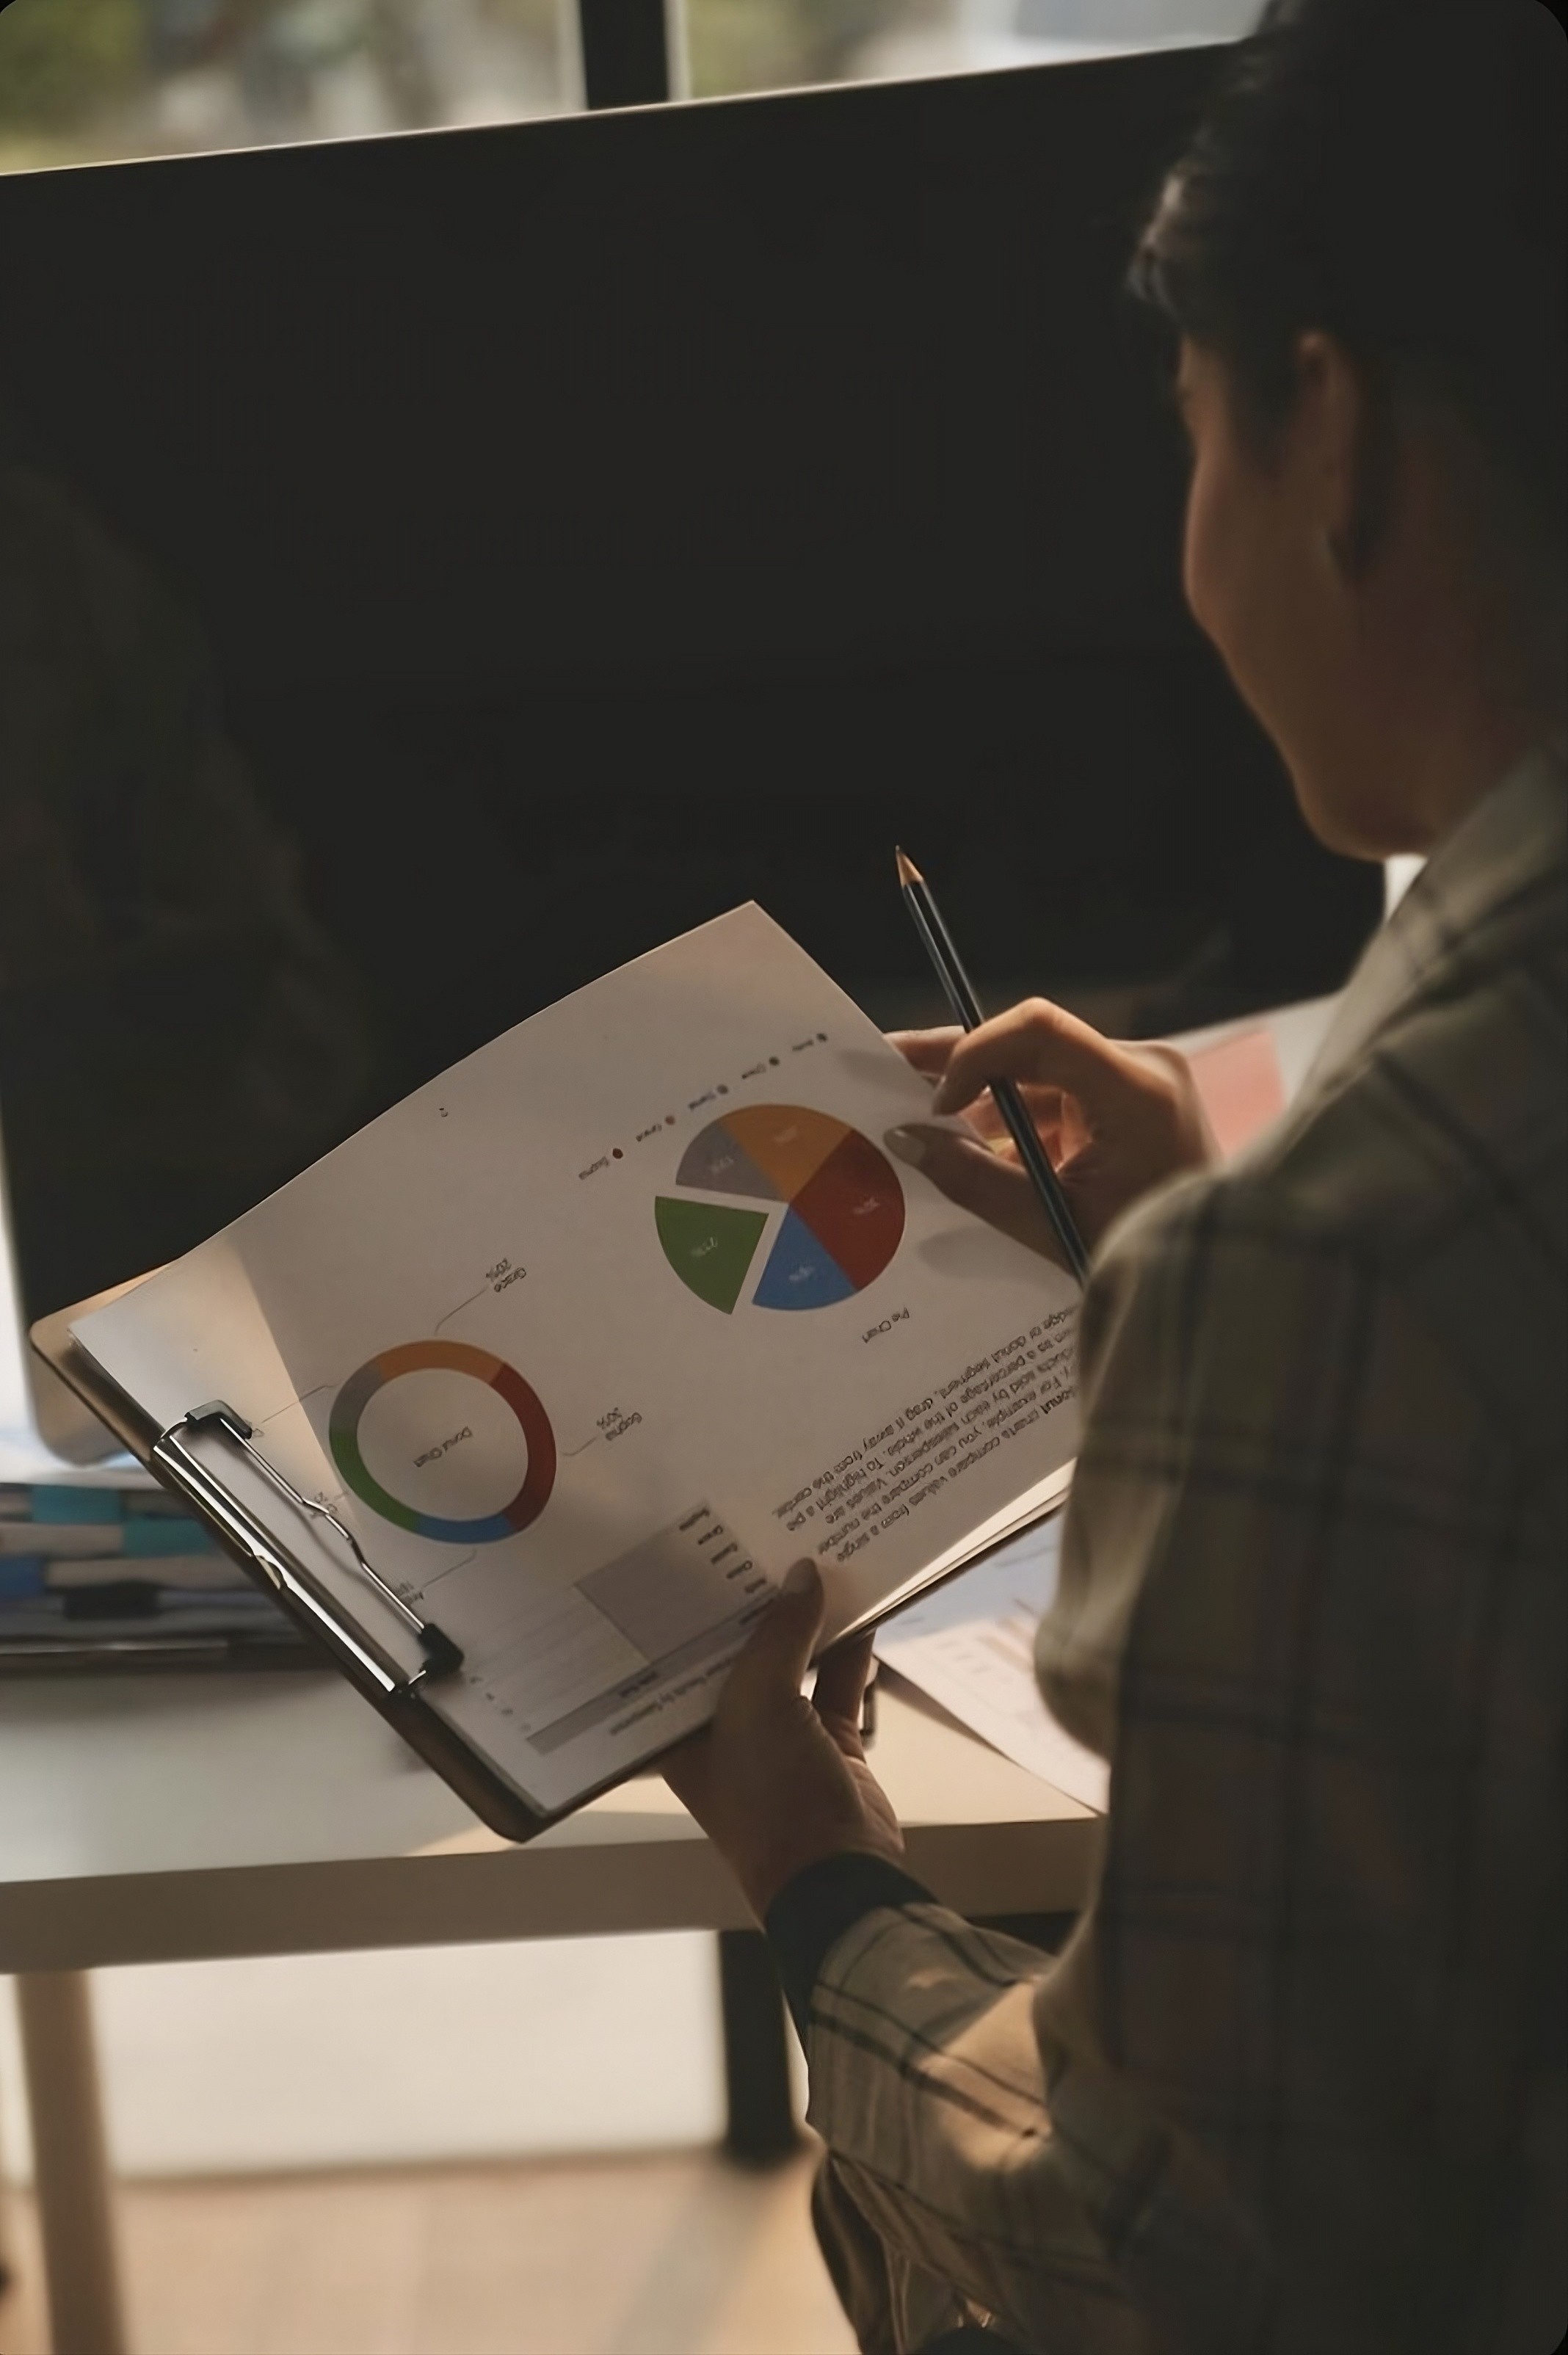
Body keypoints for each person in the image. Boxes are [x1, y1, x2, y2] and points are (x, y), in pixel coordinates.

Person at [663, 2, 1567, 2348]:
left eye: (1193, 432)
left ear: (1334, 436)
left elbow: (1176, 2282)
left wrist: (822, 1885)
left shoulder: (1343, 1276)